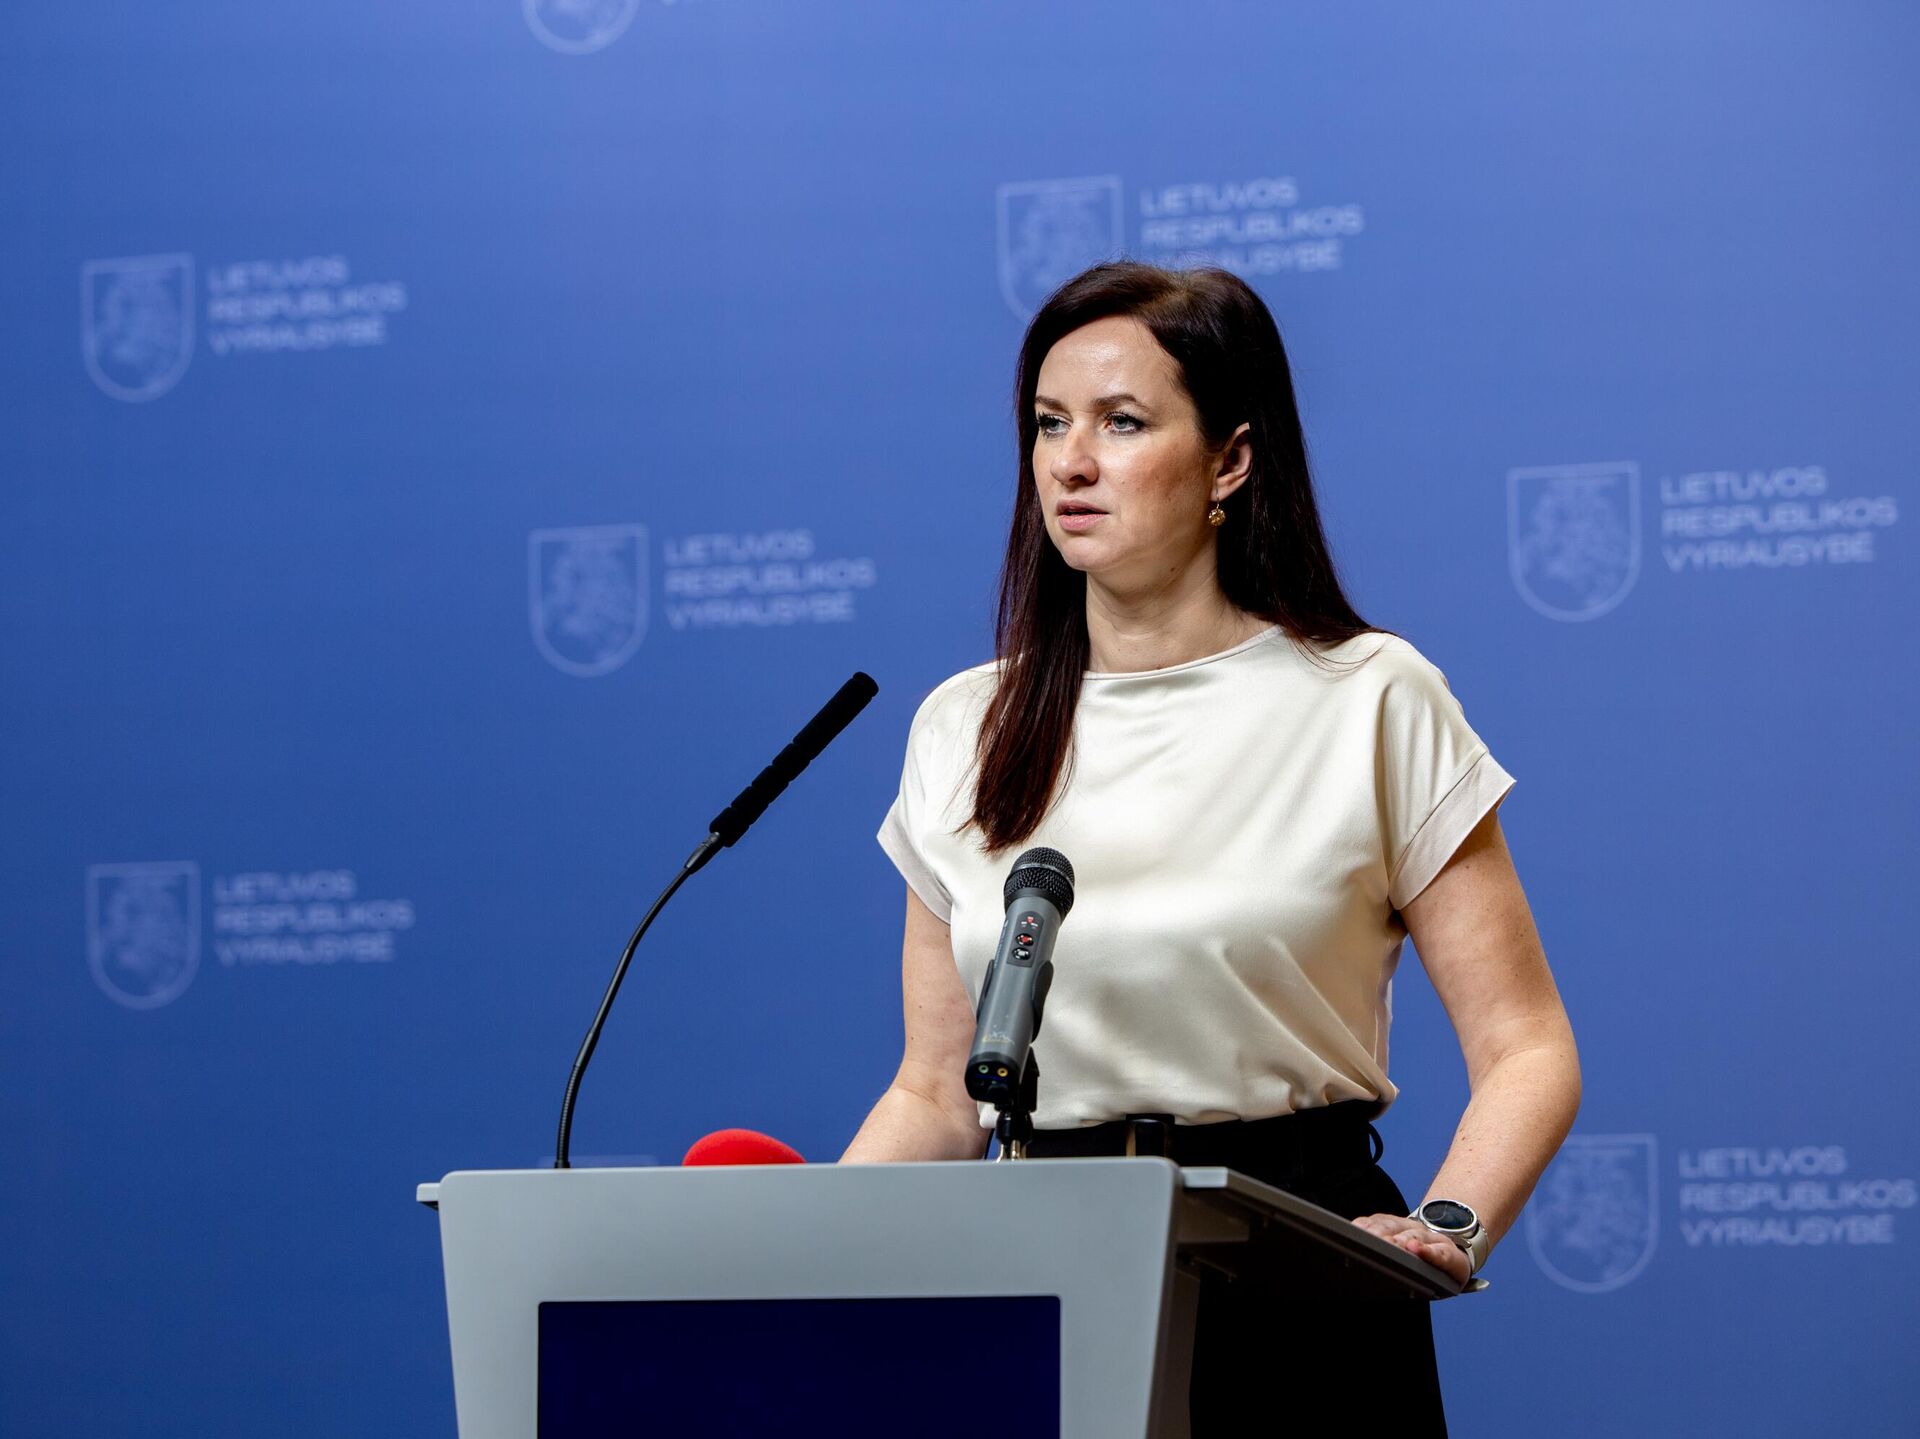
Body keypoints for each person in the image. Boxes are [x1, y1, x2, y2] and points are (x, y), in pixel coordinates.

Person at [840, 260, 1580, 1434]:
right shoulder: (964, 723)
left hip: (1300, 1264)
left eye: (1122, 423)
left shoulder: (1369, 696)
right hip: (1046, 1273)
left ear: (1230, 460)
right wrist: (813, 1257)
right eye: (1049, 423)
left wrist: (1448, 1222)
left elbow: (1528, 1045)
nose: (1070, 462)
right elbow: (935, 1092)